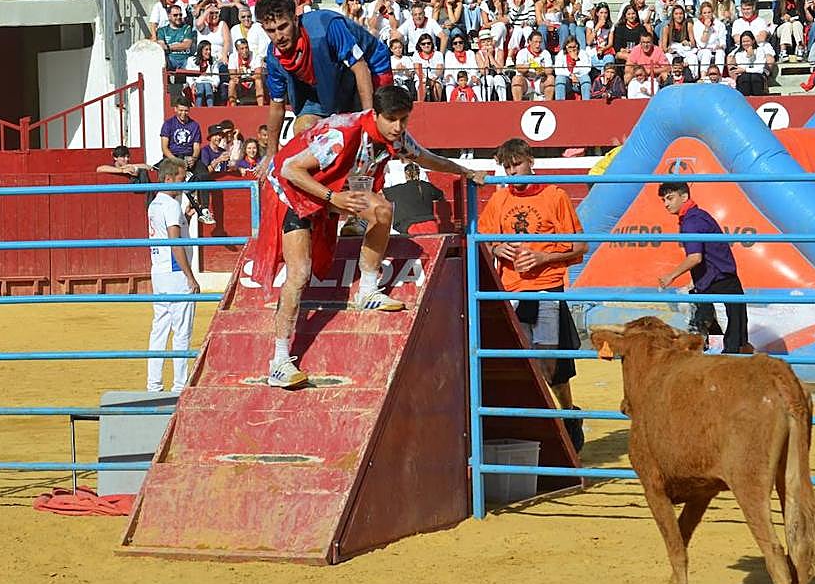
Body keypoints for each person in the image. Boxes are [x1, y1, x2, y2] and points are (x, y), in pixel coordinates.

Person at [252, 86, 487, 388]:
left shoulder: (395, 137)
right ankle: (279, 362)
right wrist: (333, 198)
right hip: (291, 193)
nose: (398, 127)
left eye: (404, 119)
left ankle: (367, 290)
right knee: (299, 274)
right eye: (392, 119)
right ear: (375, 114)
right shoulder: (341, 135)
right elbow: (289, 169)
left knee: (382, 210)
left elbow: (427, 159)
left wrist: (465, 171)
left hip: (330, 191)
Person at [478, 138, 587, 452]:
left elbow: (580, 246)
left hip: (546, 288)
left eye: (516, 164)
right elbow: (483, 239)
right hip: (511, 292)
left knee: (551, 366)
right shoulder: (499, 199)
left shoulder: (555, 196)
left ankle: (568, 414)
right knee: (519, 365)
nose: (512, 172)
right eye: (507, 167)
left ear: (530, 161)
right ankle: (542, 425)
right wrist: (497, 248)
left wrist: (542, 258)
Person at [256, 0, 393, 176]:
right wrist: (271, 153)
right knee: (303, 128)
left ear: (295, 19)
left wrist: (369, 119)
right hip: (323, 81)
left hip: (370, 67)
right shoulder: (273, 58)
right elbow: (276, 106)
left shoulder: (326, 26)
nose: (278, 36)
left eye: (283, 27)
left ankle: (381, 170)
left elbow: (361, 68)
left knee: (376, 129)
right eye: (271, 31)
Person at [655, 181, 750, 355]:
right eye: (664, 200)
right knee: (734, 323)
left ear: (684, 197)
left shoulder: (691, 222)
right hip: (717, 276)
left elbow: (695, 257)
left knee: (712, 322)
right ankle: (729, 351)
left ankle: (725, 352)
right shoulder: (698, 216)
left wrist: (671, 276)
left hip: (718, 277)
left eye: (670, 198)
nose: (666, 204)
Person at [146, 157, 201, 394]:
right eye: (181, 177)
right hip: (176, 273)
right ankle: (179, 386)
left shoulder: (155, 203)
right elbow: (174, 241)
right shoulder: (170, 205)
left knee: (160, 328)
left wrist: (185, 218)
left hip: (159, 271)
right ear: (169, 179)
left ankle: (154, 384)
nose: (183, 182)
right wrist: (191, 276)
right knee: (182, 330)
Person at [158, 97, 215, 224]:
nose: (183, 113)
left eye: (186, 111)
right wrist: (177, 161)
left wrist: (193, 158)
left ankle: (204, 209)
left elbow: (196, 147)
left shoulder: (194, 125)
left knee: (204, 172)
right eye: (181, 110)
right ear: (175, 109)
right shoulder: (168, 124)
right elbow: (164, 148)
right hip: (173, 157)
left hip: (189, 157)